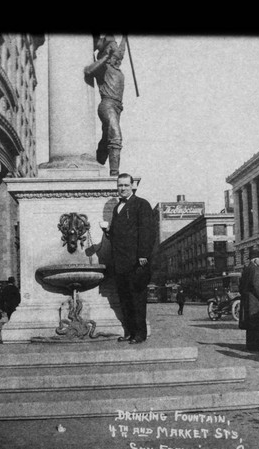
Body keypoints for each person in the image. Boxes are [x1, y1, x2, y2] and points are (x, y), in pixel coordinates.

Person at [102, 173, 156, 344]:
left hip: (135, 262)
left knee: (137, 299)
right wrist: (107, 231)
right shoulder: (118, 207)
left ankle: (140, 334)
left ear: (133, 186)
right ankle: (129, 332)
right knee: (124, 299)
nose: (123, 189)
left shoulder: (142, 204)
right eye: (120, 186)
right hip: (120, 263)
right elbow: (118, 236)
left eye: (126, 185)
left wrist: (143, 255)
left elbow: (147, 231)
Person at [84, 34, 126, 176]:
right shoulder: (103, 67)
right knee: (115, 137)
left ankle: (98, 164)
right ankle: (114, 174)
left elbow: (121, 51)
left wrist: (124, 39)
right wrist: (105, 57)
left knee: (105, 140)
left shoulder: (116, 69)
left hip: (117, 107)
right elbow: (88, 70)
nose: (117, 57)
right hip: (107, 104)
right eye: (114, 54)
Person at [238, 248, 259, 351]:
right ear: (255, 260)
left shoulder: (246, 269)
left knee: (250, 326)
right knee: (257, 324)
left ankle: (250, 345)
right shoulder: (256, 270)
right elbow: (257, 286)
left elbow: (240, 286)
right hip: (255, 302)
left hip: (247, 301)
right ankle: (256, 347)